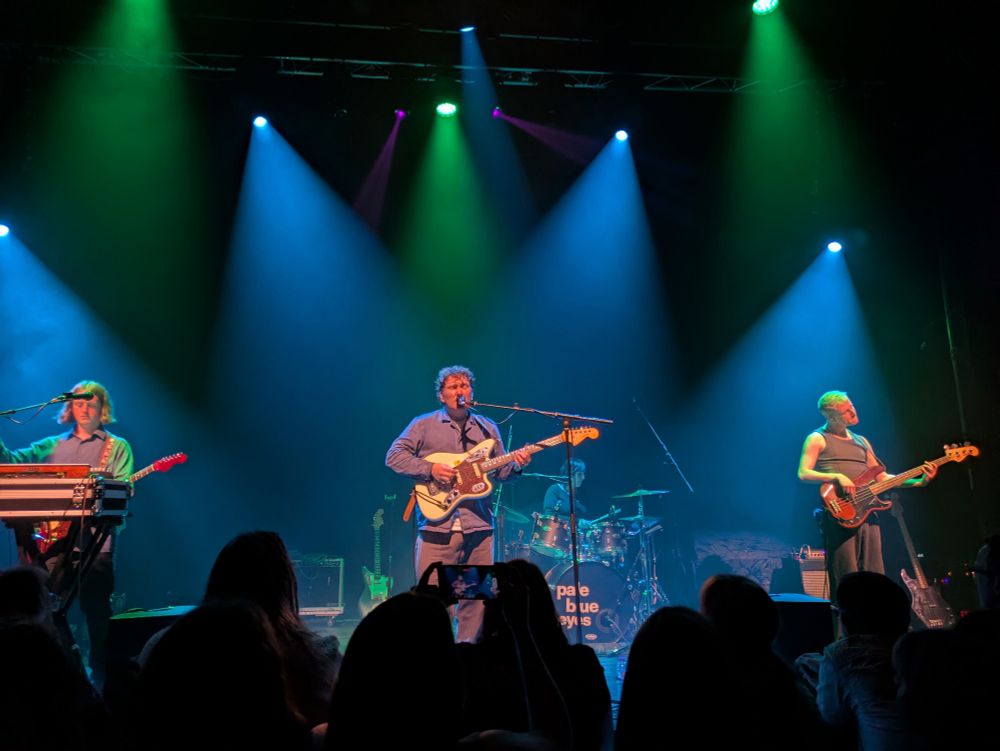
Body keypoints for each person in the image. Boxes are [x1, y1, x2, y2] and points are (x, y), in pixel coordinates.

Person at [1, 380, 134, 687]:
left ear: (103, 409)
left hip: (95, 545)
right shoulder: (50, 446)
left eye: (91, 403)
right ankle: (54, 681)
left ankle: (103, 685)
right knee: (46, 612)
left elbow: (123, 489)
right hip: (51, 545)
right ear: (69, 408)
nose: (84, 408)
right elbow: (10, 462)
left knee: (97, 615)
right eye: (78, 403)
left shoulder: (117, 447)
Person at [386, 365, 531, 642]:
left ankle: (469, 660)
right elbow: (393, 457)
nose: (459, 391)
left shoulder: (487, 428)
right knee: (431, 602)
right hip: (436, 526)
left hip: (477, 528)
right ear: (441, 395)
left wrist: (516, 465)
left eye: (464, 386)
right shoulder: (423, 424)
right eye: (453, 387)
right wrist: (430, 470)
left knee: (475, 601)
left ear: (472, 392)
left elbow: (501, 473)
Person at [797, 390, 936, 598]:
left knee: (874, 572)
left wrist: (919, 481)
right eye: (847, 410)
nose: (853, 411)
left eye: (852, 405)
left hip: (868, 512)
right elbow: (803, 473)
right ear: (831, 416)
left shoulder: (861, 441)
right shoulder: (817, 438)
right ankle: (849, 627)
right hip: (840, 511)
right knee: (847, 575)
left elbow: (883, 478)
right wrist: (837, 477)